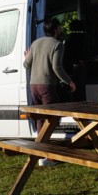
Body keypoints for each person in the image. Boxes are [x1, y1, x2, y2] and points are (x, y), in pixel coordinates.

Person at [23, 17, 76, 164]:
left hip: (33, 85)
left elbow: (26, 65)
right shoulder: (57, 45)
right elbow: (57, 68)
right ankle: (49, 157)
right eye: (59, 27)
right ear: (56, 29)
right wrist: (69, 81)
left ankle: (40, 153)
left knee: (41, 119)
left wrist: (27, 57)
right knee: (51, 120)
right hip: (47, 86)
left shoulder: (35, 43)